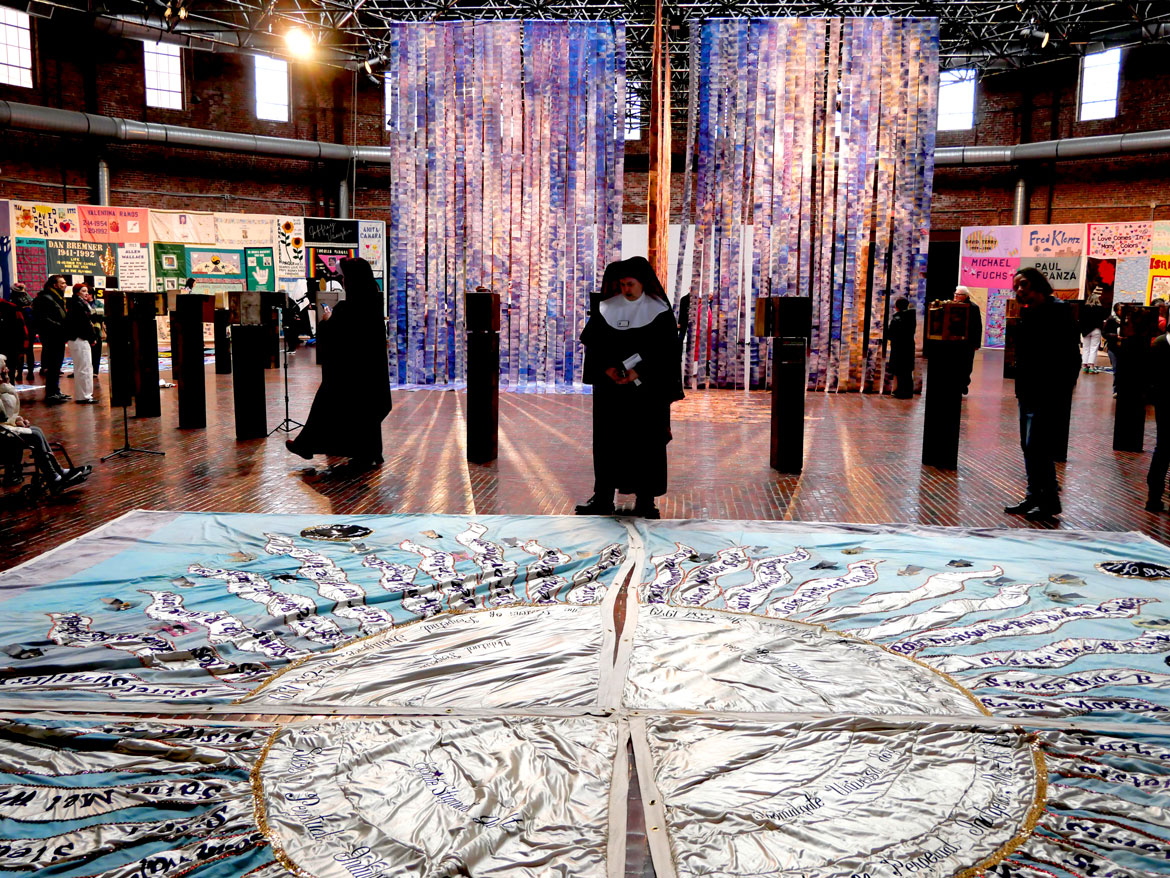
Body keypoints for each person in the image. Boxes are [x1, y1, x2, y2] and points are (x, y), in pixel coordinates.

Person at [575, 256, 683, 519]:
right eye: (622, 284)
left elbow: (666, 351)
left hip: (647, 392)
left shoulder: (658, 311)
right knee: (608, 443)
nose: (626, 289)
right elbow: (594, 344)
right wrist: (607, 369)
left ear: (642, 283)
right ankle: (603, 498)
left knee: (647, 444)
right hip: (611, 392)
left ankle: (646, 501)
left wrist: (639, 370)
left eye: (630, 284)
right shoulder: (606, 308)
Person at [285, 257, 391, 468]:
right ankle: (369, 452)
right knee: (362, 413)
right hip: (368, 373)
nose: (343, 281)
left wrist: (327, 321)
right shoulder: (372, 301)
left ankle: (306, 446)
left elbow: (338, 335)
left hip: (347, 373)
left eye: (345, 277)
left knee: (325, 406)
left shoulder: (349, 306)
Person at [1004, 267, 1081, 520]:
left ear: (1038, 284)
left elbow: (1071, 356)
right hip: (1028, 390)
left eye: (1024, 284)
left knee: (1038, 446)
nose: (1019, 290)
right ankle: (1034, 496)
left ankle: (1048, 502)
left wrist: (1061, 388)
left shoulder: (1058, 311)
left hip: (1047, 392)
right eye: (1016, 286)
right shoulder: (1029, 312)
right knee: (1028, 446)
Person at [0, 354, 91, 490]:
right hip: (3, 434)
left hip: (7, 428)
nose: (7, 370)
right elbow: (3, 416)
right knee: (35, 436)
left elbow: (9, 413)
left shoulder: (4, 388)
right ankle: (53, 476)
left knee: (37, 430)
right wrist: (15, 421)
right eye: (4, 368)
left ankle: (58, 470)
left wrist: (18, 419)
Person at [32, 275, 70, 404]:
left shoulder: (56, 297)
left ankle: (56, 391)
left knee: (56, 366)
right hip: (51, 336)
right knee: (53, 365)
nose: (65, 285)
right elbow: (43, 318)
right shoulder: (45, 298)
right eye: (62, 283)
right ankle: (51, 393)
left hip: (58, 335)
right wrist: (59, 326)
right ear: (54, 285)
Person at [65, 283, 99, 404]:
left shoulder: (79, 303)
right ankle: (84, 396)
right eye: (83, 291)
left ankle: (84, 395)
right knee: (84, 368)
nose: (86, 293)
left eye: (87, 291)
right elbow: (83, 324)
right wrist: (92, 337)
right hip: (79, 338)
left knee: (83, 367)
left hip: (78, 338)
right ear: (77, 292)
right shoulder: (77, 304)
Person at [952, 286, 983, 394]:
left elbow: (978, 326)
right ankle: (957, 384)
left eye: (958, 295)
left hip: (968, 342)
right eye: (955, 294)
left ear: (965, 296)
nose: (955, 296)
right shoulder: (951, 306)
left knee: (967, 364)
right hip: (955, 341)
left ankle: (964, 383)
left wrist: (977, 343)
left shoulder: (973, 308)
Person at [887, 297, 916, 399]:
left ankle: (900, 392)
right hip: (909, 346)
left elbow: (890, 334)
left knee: (899, 370)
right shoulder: (912, 317)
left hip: (898, 347)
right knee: (907, 371)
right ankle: (908, 392)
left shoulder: (896, 319)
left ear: (896, 307)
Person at [6, 283, 34, 382]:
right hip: (29, 327)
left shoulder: (12, 299)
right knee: (29, 351)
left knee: (19, 352)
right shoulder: (28, 297)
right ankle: (30, 373)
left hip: (19, 328)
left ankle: (20, 374)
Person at [1079, 285, 1108, 374]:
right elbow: (1104, 318)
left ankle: (1084, 366)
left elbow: (1080, 319)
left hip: (1085, 330)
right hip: (1096, 330)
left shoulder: (1083, 308)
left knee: (1086, 347)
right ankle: (1091, 366)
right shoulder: (1100, 308)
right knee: (1094, 348)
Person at [1102, 302, 1122, 398]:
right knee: (1116, 369)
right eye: (1121, 310)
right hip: (1113, 347)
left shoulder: (1127, 319)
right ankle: (1116, 390)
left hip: (1123, 348)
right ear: (1117, 311)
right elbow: (1104, 333)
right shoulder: (1111, 320)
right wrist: (1115, 336)